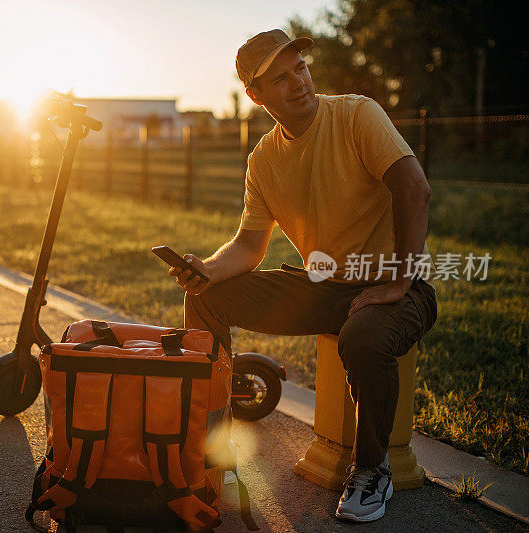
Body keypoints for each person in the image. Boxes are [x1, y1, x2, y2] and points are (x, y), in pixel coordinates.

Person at [169, 29, 437, 523]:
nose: (298, 84)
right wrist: (208, 269)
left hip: (400, 284)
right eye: (279, 79)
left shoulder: (357, 114)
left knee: (364, 336)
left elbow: (414, 189)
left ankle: (372, 470)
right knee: (208, 298)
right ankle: (210, 451)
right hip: (324, 285)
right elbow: (250, 245)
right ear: (256, 95)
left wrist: (399, 279)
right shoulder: (265, 160)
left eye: (301, 69)